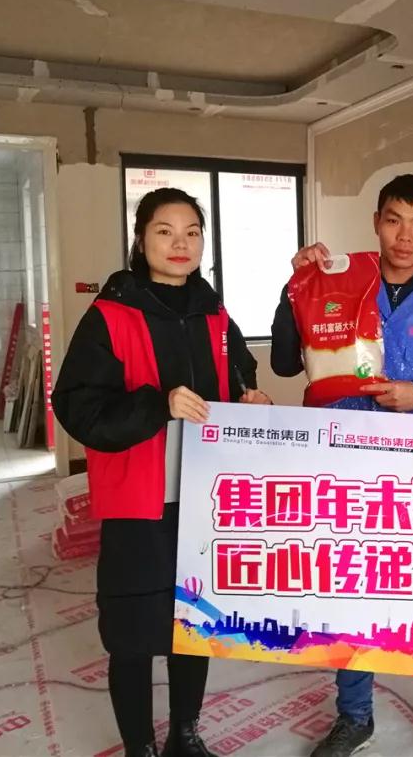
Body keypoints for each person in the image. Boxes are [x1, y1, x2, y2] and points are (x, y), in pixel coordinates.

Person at [270, 174, 413, 757]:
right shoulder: (341, 288)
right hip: (349, 472)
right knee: (351, 595)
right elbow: (286, 362)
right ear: (376, 222)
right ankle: (354, 717)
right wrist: (296, 285)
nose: (405, 236)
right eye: (394, 220)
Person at [53, 187, 271, 757]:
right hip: (138, 503)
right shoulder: (110, 315)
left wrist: (250, 399)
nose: (180, 244)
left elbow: (240, 377)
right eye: (165, 231)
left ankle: (184, 736)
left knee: (194, 626)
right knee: (132, 634)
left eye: (192, 232)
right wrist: (158, 405)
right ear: (141, 239)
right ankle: (139, 748)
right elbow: (77, 407)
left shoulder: (214, 314)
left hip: (205, 501)